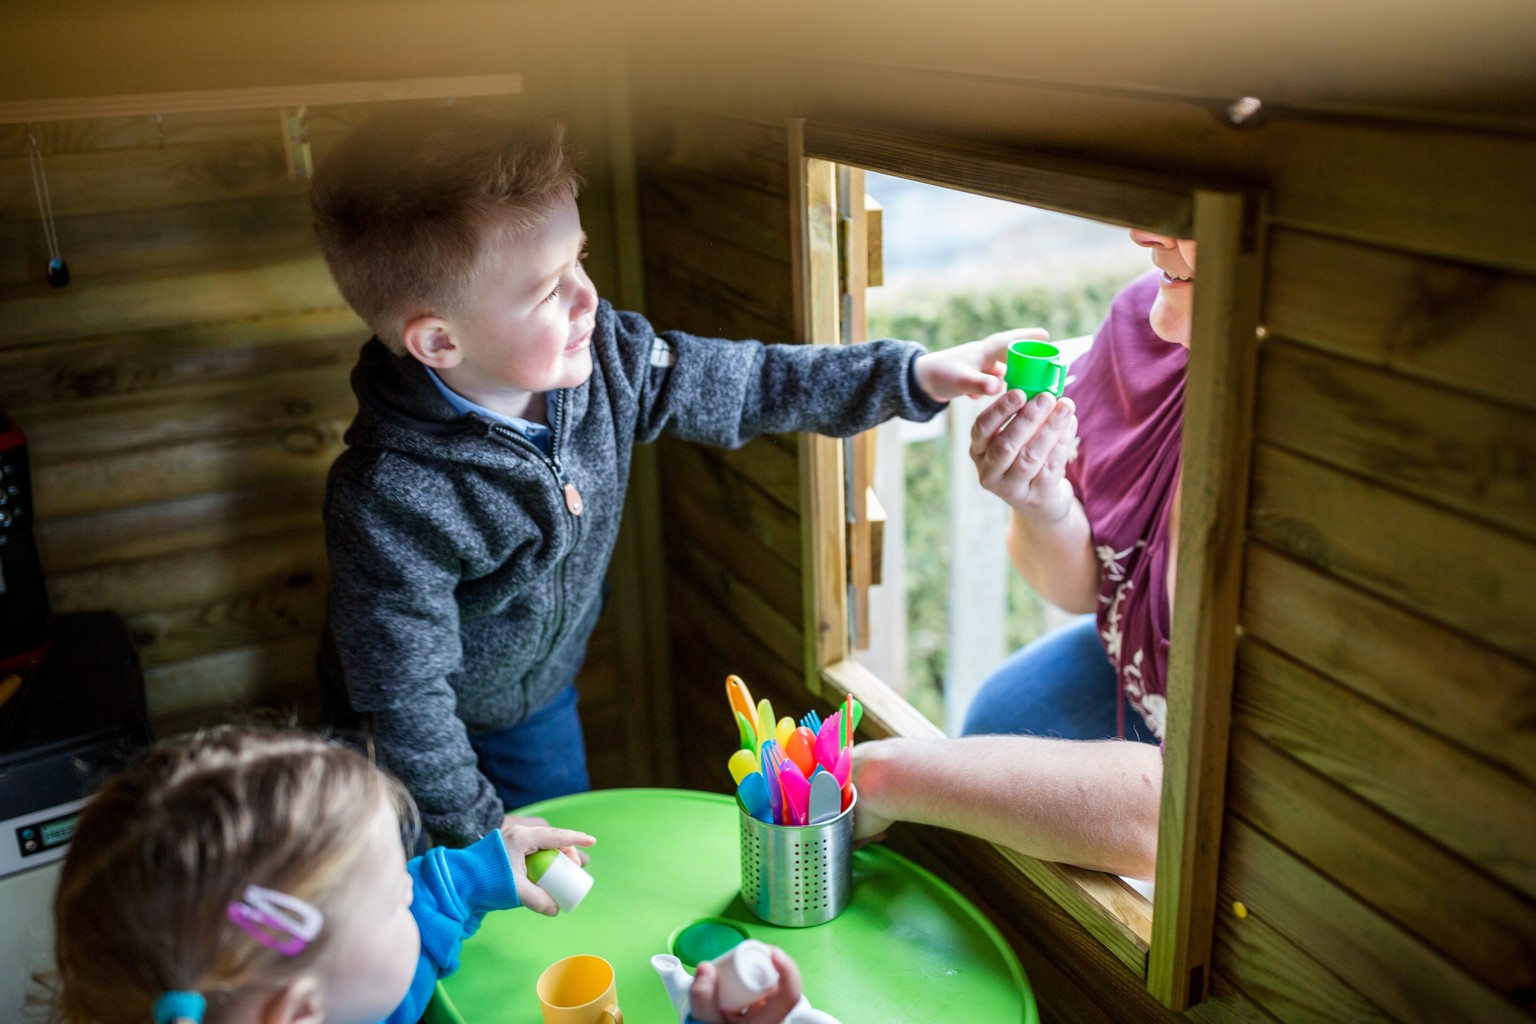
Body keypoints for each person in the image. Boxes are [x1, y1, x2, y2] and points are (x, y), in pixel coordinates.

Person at [308, 106, 1036, 847]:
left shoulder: (614, 361)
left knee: (565, 873)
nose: (588, 297)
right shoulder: (388, 498)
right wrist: (476, 837)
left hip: (536, 707)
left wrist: (911, 374)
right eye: (546, 290)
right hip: (403, 743)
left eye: (579, 260)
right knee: (442, 898)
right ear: (438, 339)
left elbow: (753, 383)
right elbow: (404, 699)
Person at [850, 231, 1197, 880]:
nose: (1143, 232)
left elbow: (1189, 810)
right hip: (1142, 679)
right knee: (1005, 712)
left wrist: (886, 773)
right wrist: (1044, 504)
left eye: (1194, 218)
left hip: (1196, 780)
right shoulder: (1140, 323)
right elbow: (1082, 591)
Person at [45, 726, 595, 1024]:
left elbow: (373, 962)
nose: (411, 885)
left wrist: (470, 877)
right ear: (296, 1013)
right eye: (391, 899)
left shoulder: (331, 994)